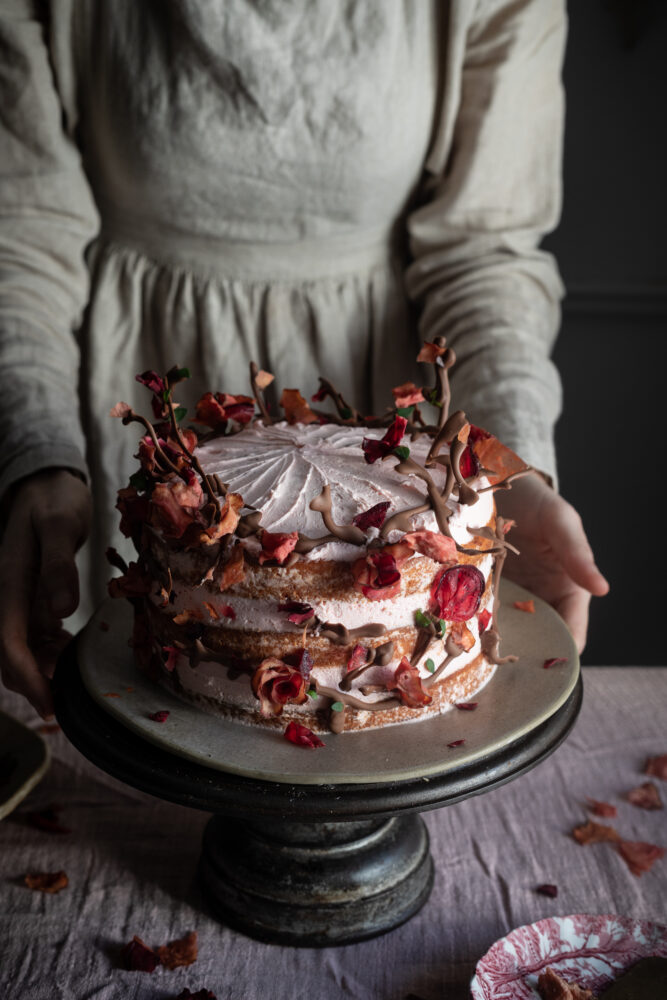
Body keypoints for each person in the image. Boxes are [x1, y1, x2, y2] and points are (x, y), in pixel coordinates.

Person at [0, 0, 608, 719]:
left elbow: (484, 255)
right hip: (123, 393)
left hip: (383, 413)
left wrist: (507, 471)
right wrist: (35, 450)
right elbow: (20, 236)